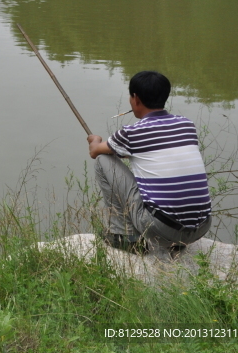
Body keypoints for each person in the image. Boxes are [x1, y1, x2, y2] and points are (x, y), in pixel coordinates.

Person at [86, 70, 212, 254]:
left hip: (161, 229)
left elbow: (96, 151)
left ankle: (123, 236)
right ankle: (175, 242)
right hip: (201, 228)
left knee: (103, 160)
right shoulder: (187, 125)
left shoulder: (131, 133)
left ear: (135, 99)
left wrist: (94, 139)